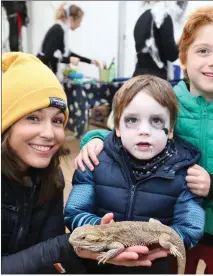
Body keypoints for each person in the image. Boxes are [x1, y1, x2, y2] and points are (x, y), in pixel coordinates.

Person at [74, 6, 213, 274]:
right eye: (203, 50)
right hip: (170, 225)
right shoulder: (166, 100)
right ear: (183, 58)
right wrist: (95, 139)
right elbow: (127, 130)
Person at [1, 52, 155, 274]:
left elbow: (51, 259)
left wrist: (92, 253)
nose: (49, 133)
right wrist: (66, 245)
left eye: (57, 120)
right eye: (32, 118)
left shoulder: (50, 177)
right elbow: (52, 249)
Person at [64, 75, 205, 274]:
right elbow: (74, 212)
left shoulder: (187, 172)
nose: (144, 130)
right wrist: (99, 229)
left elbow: (191, 228)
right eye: (132, 120)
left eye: (156, 120)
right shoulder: (93, 160)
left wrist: (157, 243)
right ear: (118, 127)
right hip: (98, 265)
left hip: (154, 265)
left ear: (171, 129)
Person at [37, 2, 100, 76]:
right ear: (71, 19)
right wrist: (69, 60)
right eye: (79, 21)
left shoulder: (61, 30)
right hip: (43, 74)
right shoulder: (57, 30)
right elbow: (48, 56)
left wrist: (91, 61)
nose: (79, 25)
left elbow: (68, 54)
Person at [133, 1, 182, 79]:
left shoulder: (142, 18)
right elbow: (171, 55)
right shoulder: (162, 16)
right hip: (155, 79)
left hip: (138, 77)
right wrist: (182, 42)